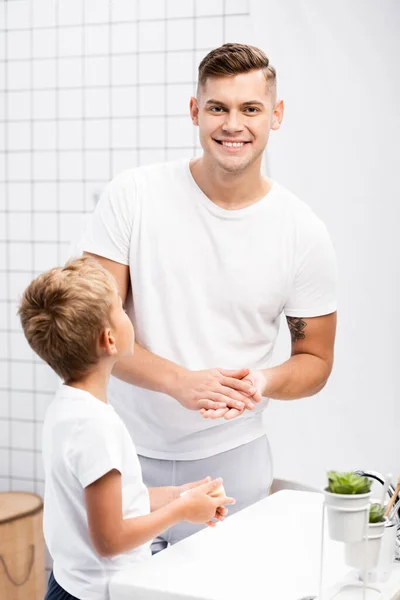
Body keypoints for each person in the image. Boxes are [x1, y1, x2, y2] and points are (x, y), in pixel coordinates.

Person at [83, 43, 337, 552]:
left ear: (276, 115)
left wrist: (262, 381)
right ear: (195, 111)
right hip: (123, 455)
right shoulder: (133, 196)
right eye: (218, 107)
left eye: (250, 109)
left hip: (234, 463)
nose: (232, 124)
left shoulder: (302, 231)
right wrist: (180, 382)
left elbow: (315, 360)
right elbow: (92, 332)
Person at [18, 257, 234, 600]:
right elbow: (110, 540)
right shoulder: (96, 426)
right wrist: (182, 511)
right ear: (109, 339)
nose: (128, 314)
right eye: (120, 308)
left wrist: (181, 494)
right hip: (100, 593)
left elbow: (115, 505)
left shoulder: (68, 406)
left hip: (69, 585)